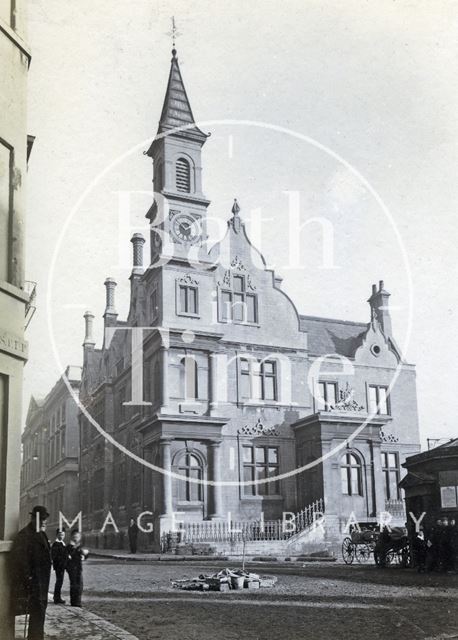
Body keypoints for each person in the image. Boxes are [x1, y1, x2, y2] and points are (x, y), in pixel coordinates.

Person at [9, 505, 52, 640]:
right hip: (33, 582)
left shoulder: (42, 534)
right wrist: (28, 578)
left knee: (40, 613)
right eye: (41, 519)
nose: (44, 522)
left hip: (43, 582)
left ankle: (36, 637)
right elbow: (20, 561)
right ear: (33, 518)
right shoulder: (24, 535)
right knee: (36, 612)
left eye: (45, 519)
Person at [66, 530, 88, 607]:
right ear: (71, 537)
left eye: (78, 537)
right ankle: (74, 602)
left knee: (80, 584)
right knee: (74, 584)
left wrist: (85, 556)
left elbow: (84, 555)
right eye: (74, 536)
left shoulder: (80, 546)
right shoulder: (69, 546)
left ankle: (78, 601)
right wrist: (74, 548)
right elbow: (67, 556)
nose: (76, 538)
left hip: (79, 567)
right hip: (71, 568)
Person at [51, 529, 67, 604]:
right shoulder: (56, 544)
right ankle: (57, 598)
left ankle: (57, 597)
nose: (62, 536)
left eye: (63, 535)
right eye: (60, 535)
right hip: (59, 566)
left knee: (60, 581)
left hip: (62, 566)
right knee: (59, 581)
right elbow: (54, 556)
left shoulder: (62, 543)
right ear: (57, 535)